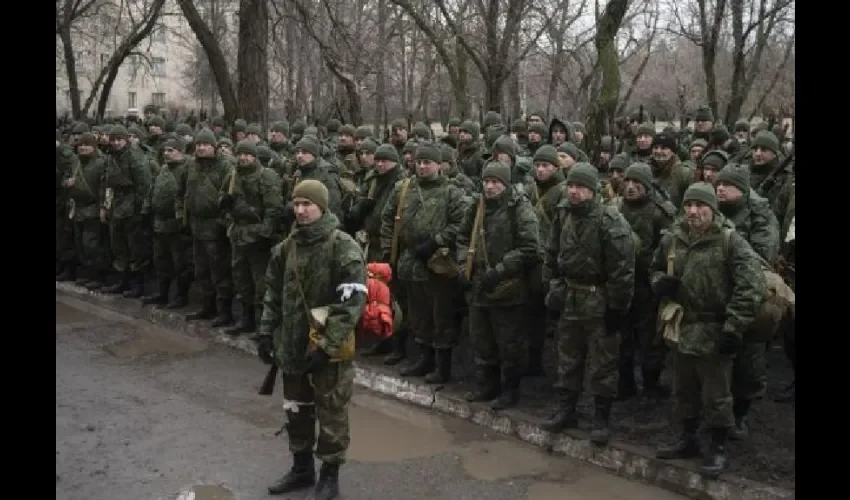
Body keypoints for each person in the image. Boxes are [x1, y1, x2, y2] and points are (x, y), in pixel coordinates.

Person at [257, 180, 367, 499]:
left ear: (322, 206)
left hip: (327, 351)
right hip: (292, 347)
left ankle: (329, 476)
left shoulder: (342, 246)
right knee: (297, 409)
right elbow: (272, 293)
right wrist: (266, 331)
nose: (301, 210)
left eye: (308, 204)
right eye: (297, 204)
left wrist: (326, 346)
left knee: (331, 412)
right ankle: (302, 468)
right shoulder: (286, 248)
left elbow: (351, 304)